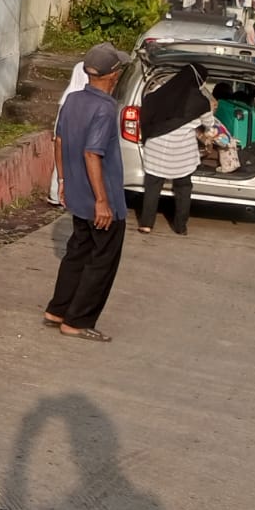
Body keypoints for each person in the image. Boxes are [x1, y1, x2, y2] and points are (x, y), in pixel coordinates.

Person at [43, 42, 130, 343]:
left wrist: (63, 181)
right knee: (102, 261)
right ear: (113, 75)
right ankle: (77, 321)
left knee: (77, 251)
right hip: (100, 198)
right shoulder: (105, 108)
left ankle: (58, 309)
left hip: (77, 193)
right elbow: (93, 154)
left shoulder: (73, 99)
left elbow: (58, 140)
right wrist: (103, 201)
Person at [136, 64, 212, 236]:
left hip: (155, 147)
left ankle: (146, 224)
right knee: (183, 187)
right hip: (181, 153)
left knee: (153, 186)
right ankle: (180, 226)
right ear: (199, 81)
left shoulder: (161, 92)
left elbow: (146, 105)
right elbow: (209, 125)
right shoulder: (201, 102)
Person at [48, 61, 89, 207]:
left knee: (61, 163)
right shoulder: (80, 99)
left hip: (65, 137)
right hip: (74, 136)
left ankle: (56, 194)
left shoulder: (68, 96)